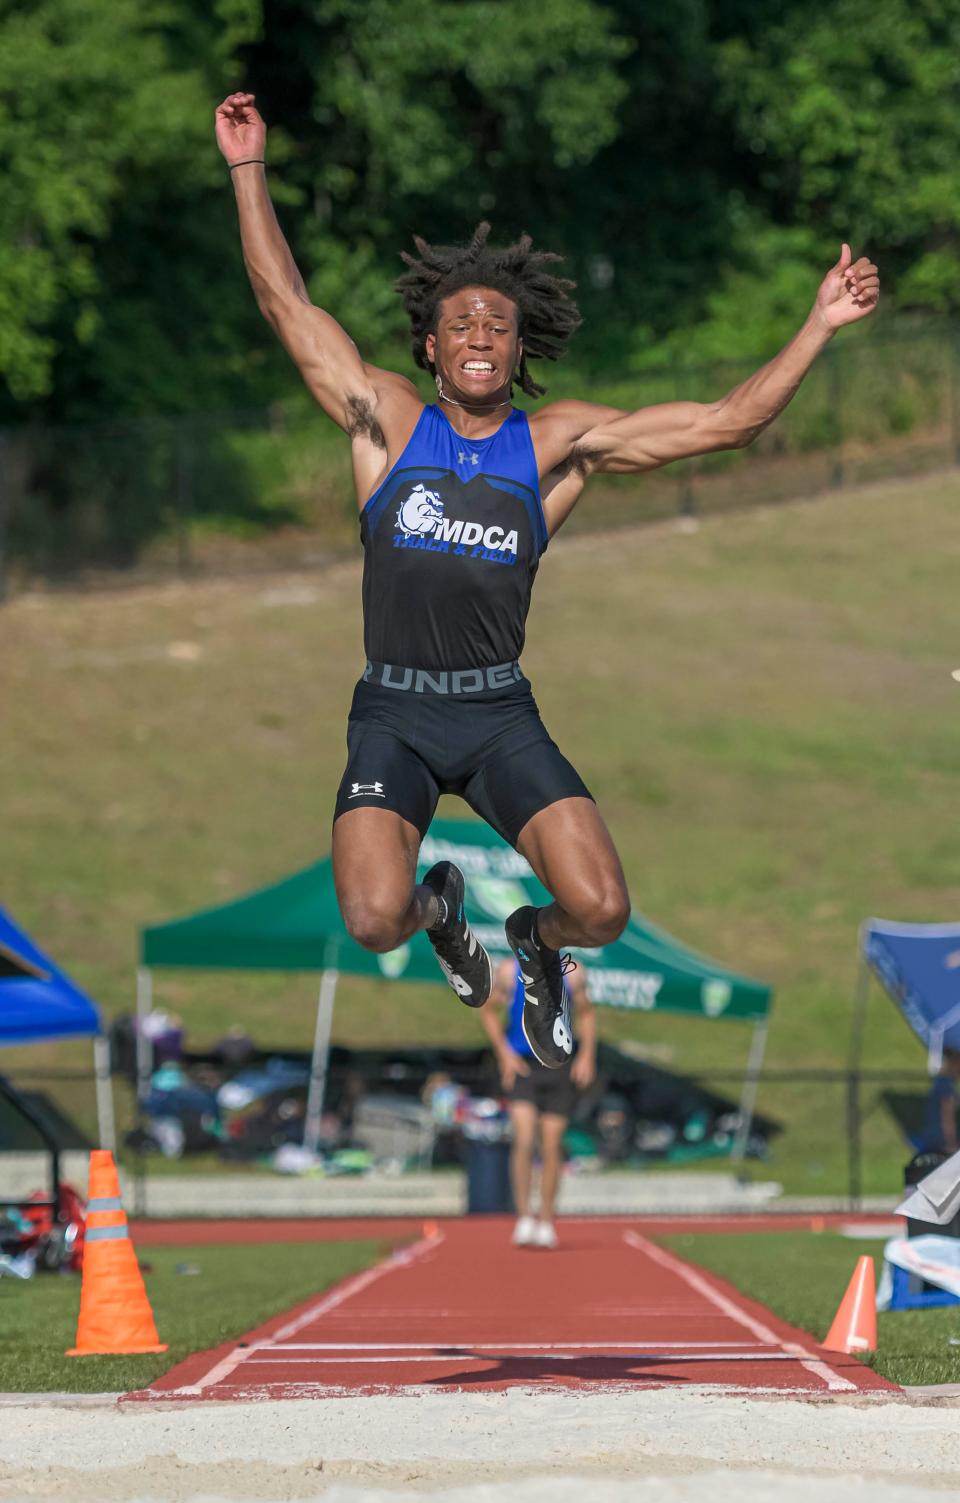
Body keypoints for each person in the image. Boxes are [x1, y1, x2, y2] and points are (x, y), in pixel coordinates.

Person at [215, 93, 880, 1069]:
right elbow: (285, 303)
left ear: (521, 350)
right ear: (431, 347)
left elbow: (725, 424)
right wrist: (247, 170)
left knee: (602, 911)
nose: (482, 331)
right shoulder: (387, 420)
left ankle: (533, 945)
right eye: (462, 322)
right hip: (394, 711)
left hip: (496, 714)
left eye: (500, 323)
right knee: (372, 919)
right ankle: (441, 907)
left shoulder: (557, 444)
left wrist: (819, 323)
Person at [480, 955, 596, 1247]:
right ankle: (524, 1216)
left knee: (552, 1143)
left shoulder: (573, 972)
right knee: (524, 1137)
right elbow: (489, 1011)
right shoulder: (511, 970)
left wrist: (587, 1055)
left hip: (559, 1065)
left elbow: (587, 1013)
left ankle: (546, 1219)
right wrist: (504, 1054)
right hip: (524, 1065)